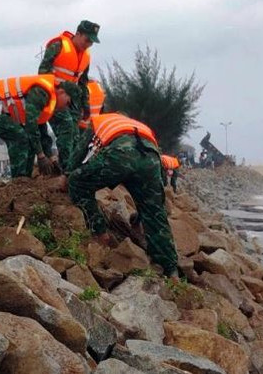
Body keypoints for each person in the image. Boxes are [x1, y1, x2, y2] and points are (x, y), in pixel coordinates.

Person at [62, 113, 179, 277]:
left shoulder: (98, 121)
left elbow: (79, 153)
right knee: (154, 214)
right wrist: (145, 211)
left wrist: (68, 174)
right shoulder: (139, 125)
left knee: (77, 182)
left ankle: (100, 233)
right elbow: (157, 174)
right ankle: (170, 269)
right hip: (150, 159)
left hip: (121, 155)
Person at [0, 75, 71, 177]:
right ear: (62, 92)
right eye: (68, 103)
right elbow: (31, 125)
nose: (66, 108)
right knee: (20, 137)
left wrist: (50, 157)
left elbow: (42, 131)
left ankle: (26, 179)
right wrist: (41, 155)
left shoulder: (48, 102)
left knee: (29, 140)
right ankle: (18, 180)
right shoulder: (41, 92)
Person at [38, 20, 100, 171]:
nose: (88, 44)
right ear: (78, 34)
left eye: (92, 42)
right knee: (66, 128)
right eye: (87, 40)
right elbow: (42, 73)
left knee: (76, 134)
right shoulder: (58, 46)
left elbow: (82, 82)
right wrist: (60, 88)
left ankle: (72, 167)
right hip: (52, 97)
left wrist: (85, 105)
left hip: (71, 101)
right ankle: (67, 169)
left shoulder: (86, 56)